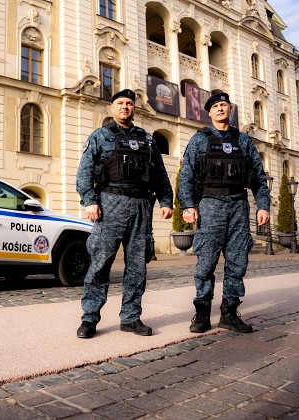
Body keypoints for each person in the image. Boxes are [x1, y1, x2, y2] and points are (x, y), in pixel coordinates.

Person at [75, 88, 173, 339]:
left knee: (138, 266)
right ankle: (89, 318)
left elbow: (160, 174)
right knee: (100, 263)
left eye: (129, 103)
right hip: (109, 204)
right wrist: (89, 201)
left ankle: (130, 318)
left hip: (141, 205)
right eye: (120, 103)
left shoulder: (148, 140)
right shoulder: (100, 136)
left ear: (134, 108)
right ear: (112, 108)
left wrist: (166, 200)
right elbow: (84, 172)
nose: (125, 107)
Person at [178, 92, 270, 334]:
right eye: (216, 106)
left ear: (230, 109)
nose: (220, 109)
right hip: (210, 205)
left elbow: (259, 177)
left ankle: (229, 313)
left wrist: (263, 205)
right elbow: (186, 174)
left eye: (224, 105)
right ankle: (202, 314)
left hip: (239, 205)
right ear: (209, 112)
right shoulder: (200, 139)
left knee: (238, 262)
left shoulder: (245, 141)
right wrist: (188, 206)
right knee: (206, 263)